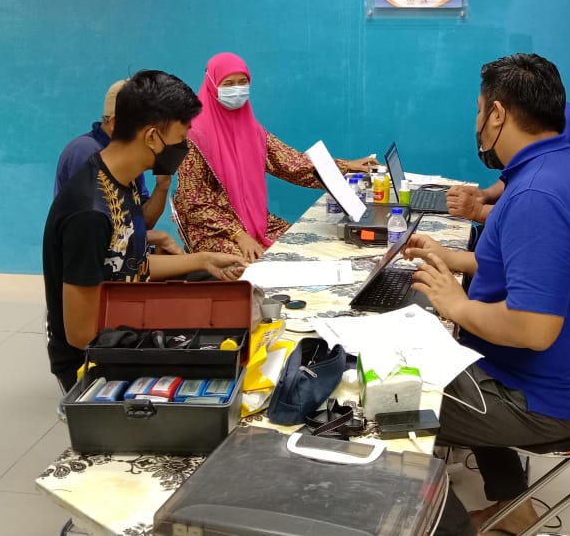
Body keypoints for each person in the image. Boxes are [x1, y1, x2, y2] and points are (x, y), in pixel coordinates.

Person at [402, 54, 570, 535]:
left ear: (498, 114)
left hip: (539, 401)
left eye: (479, 110)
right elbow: (531, 267)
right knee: (428, 347)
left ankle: (450, 528)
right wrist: (452, 259)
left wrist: (458, 305)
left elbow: (533, 328)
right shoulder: (559, 168)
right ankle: (513, 508)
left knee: (381, 400)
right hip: (564, 381)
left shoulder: (538, 195)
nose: (478, 121)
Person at [43, 70, 246, 391]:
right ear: (152, 137)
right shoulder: (90, 211)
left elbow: (127, 264)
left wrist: (204, 260)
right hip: (91, 360)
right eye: (181, 137)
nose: (184, 147)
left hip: (123, 328)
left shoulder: (120, 182)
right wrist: (163, 338)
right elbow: (81, 334)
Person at [173, 53, 377, 261]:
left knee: (303, 250)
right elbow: (194, 203)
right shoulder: (192, 136)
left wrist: (345, 166)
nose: (237, 89)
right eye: (228, 84)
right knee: (251, 265)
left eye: (243, 82)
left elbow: (292, 164)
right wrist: (238, 235)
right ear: (212, 85)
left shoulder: (252, 130)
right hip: (215, 231)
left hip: (257, 222)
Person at [445, 101, 570, 234]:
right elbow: (521, 172)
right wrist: (486, 195)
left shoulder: (559, 136)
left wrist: (478, 211)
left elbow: (536, 214)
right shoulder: (541, 117)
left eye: (481, 110)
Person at [54, 79, 182, 254]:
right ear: (116, 123)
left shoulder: (129, 155)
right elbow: (95, 237)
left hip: (124, 260)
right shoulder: (85, 151)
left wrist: (162, 185)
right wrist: (157, 237)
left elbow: (142, 224)